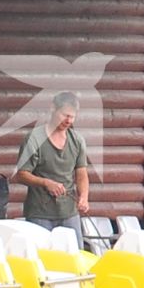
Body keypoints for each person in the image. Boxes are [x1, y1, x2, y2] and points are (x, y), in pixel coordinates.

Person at [13, 91, 91, 234]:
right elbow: (21, 175)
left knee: (74, 253)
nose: (68, 120)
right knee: (42, 255)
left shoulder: (78, 140)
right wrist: (46, 183)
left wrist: (84, 197)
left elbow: (81, 174)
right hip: (40, 214)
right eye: (65, 115)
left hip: (69, 213)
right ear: (53, 109)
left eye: (72, 117)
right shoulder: (34, 138)